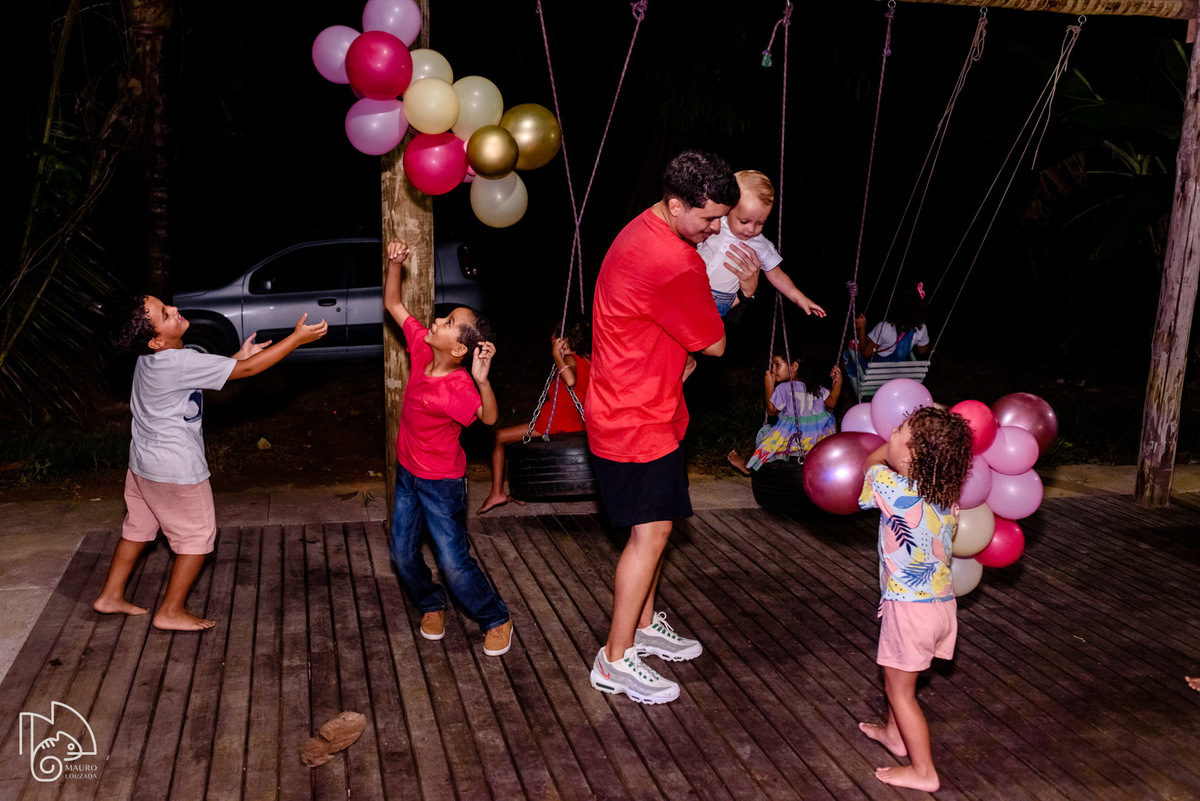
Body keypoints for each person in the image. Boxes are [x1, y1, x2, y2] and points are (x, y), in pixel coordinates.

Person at [586, 150, 751, 705]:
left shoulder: (643, 225)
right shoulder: (675, 261)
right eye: (709, 218)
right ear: (677, 205)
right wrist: (742, 297)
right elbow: (716, 344)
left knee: (651, 530)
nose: (716, 229)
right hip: (636, 417)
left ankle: (644, 625)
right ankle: (614, 659)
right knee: (652, 534)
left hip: (639, 401)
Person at [95, 296, 329, 630]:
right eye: (165, 314)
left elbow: (198, 377)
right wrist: (296, 339)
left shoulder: (147, 360)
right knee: (197, 538)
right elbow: (248, 371)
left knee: (138, 530)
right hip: (176, 470)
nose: (175, 310)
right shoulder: (180, 361)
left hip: (143, 466)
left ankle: (110, 596)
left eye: (167, 306)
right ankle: (170, 611)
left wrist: (237, 357)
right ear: (156, 340)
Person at [383, 239, 514, 657]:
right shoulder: (422, 345)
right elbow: (392, 303)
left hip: (441, 485)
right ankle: (430, 602)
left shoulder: (459, 388)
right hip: (408, 474)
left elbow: (489, 418)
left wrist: (482, 380)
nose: (437, 320)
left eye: (448, 321)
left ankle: (495, 617)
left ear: (459, 349)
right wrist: (395, 264)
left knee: (454, 563)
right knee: (402, 554)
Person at [856, 405, 973, 792]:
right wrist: (907, 444)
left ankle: (924, 771)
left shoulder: (892, 487)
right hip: (941, 606)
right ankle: (895, 735)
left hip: (909, 611)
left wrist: (885, 452)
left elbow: (868, 464)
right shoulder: (947, 496)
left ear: (909, 457)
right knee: (898, 676)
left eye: (898, 431)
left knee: (899, 691)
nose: (890, 431)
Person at [477, 321, 591, 514]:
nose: (551, 345)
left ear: (563, 342)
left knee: (499, 437)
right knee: (525, 445)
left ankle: (497, 492)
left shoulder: (569, 359)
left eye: (553, 342)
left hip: (554, 424)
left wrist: (557, 355)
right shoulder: (587, 360)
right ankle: (520, 493)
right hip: (575, 423)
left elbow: (570, 380)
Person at [697, 170, 825, 318]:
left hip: (720, 299)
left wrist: (799, 297)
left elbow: (776, 275)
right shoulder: (714, 223)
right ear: (729, 209)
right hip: (690, 281)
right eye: (744, 221)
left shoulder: (761, 244)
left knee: (701, 325)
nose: (751, 229)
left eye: (760, 223)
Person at [727, 356, 842, 475]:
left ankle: (747, 466)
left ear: (794, 366)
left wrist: (769, 386)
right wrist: (838, 383)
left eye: (777, 365)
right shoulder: (816, 387)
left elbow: (772, 411)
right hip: (817, 439)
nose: (773, 370)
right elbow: (831, 402)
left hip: (793, 439)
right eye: (772, 366)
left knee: (766, 438)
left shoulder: (784, 388)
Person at [853, 285, 930, 364]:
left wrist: (862, 328)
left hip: (878, 369)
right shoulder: (922, 328)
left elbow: (866, 354)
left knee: (850, 352)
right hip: (898, 369)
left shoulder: (884, 327)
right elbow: (922, 351)